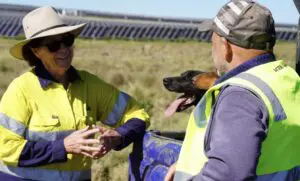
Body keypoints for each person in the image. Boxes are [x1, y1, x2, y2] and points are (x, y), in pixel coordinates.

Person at [0, 6, 150, 181]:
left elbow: (138, 114)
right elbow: (5, 147)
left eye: (67, 40)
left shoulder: (90, 85)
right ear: (36, 51)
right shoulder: (21, 90)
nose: (64, 49)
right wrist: (63, 147)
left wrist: (118, 136)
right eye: (53, 45)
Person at [165, 0, 300, 180]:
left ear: (225, 46)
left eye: (212, 40)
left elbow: (227, 174)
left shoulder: (240, 96)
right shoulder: (287, 79)